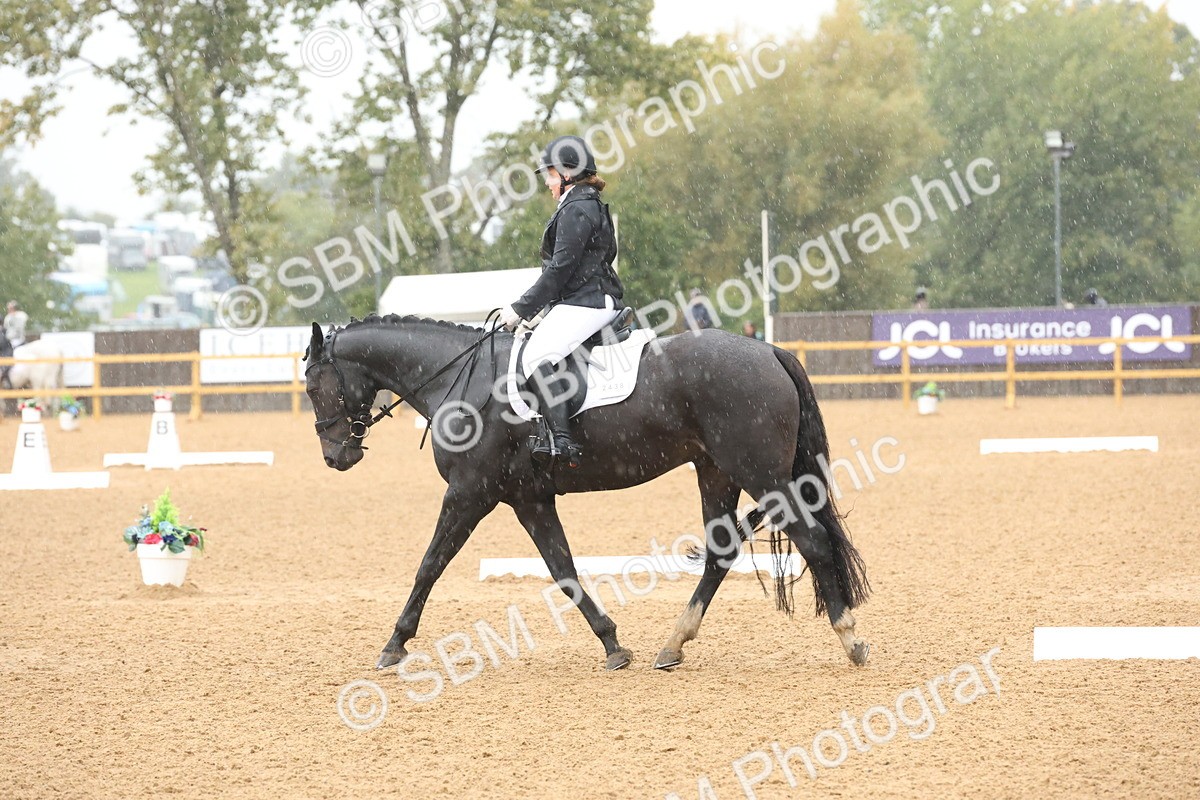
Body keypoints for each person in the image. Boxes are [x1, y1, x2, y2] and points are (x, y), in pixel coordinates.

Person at [498, 135, 623, 469]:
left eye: (551, 175)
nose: (548, 184)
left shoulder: (578, 208)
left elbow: (560, 269)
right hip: (580, 300)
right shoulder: (581, 203)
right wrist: (539, 312)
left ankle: (562, 441)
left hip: (589, 302)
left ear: (568, 173)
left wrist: (520, 308)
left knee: (536, 357)